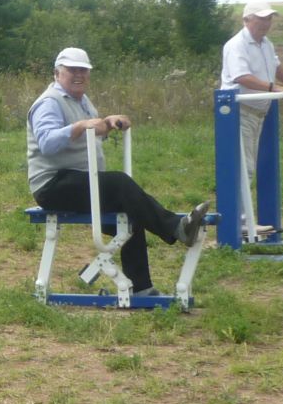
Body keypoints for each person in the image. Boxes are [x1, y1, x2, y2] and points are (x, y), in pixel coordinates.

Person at [27, 47, 210, 296]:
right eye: (72, 70)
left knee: (131, 213)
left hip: (79, 179)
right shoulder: (49, 103)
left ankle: (141, 288)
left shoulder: (82, 101)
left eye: (84, 70)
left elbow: (92, 127)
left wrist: (109, 122)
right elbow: (47, 143)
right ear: (57, 73)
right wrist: (80, 126)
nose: (79, 75)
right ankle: (177, 228)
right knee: (120, 183)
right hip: (52, 184)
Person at [220, 2, 283, 234]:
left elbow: (276, 67)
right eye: (260, 19)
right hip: (239, 111)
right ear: (247, 20)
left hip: (259, 111)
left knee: (251, 165)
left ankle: (245, 219)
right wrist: (273, 88)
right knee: (244, 166)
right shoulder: (237, 45)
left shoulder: (266, 44)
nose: (266, 23)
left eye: (269, 19)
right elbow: (241, 77)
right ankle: (240, 222)